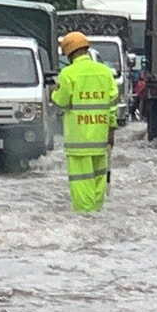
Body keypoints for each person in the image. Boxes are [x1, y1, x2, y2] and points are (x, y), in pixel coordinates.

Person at [50, 32, 118, 213]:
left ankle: (84, 219)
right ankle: (96, 216)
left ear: (69, 53)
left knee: (81, 182)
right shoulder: (105, 72)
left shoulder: (68, 74)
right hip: (101, 138)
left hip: (78, 142)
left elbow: (61, 101)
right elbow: (113, 106)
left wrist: (54, 92)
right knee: (98, 181)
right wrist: (111, 133)